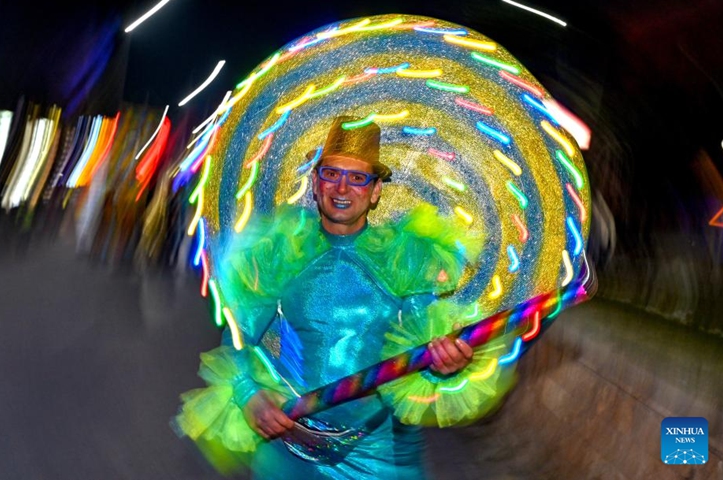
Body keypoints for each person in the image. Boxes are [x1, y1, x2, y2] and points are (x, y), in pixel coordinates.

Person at [176, 116, 513, 479]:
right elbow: (239, 334)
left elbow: (427, 344)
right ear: (315, 183)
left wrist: (445, 364)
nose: (342, 188)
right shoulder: (283, 251)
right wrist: (248, 393)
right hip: (292, 445)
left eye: (357, 178)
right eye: (331, 174)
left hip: (377, 453)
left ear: (375, 191)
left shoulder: (402, 257)